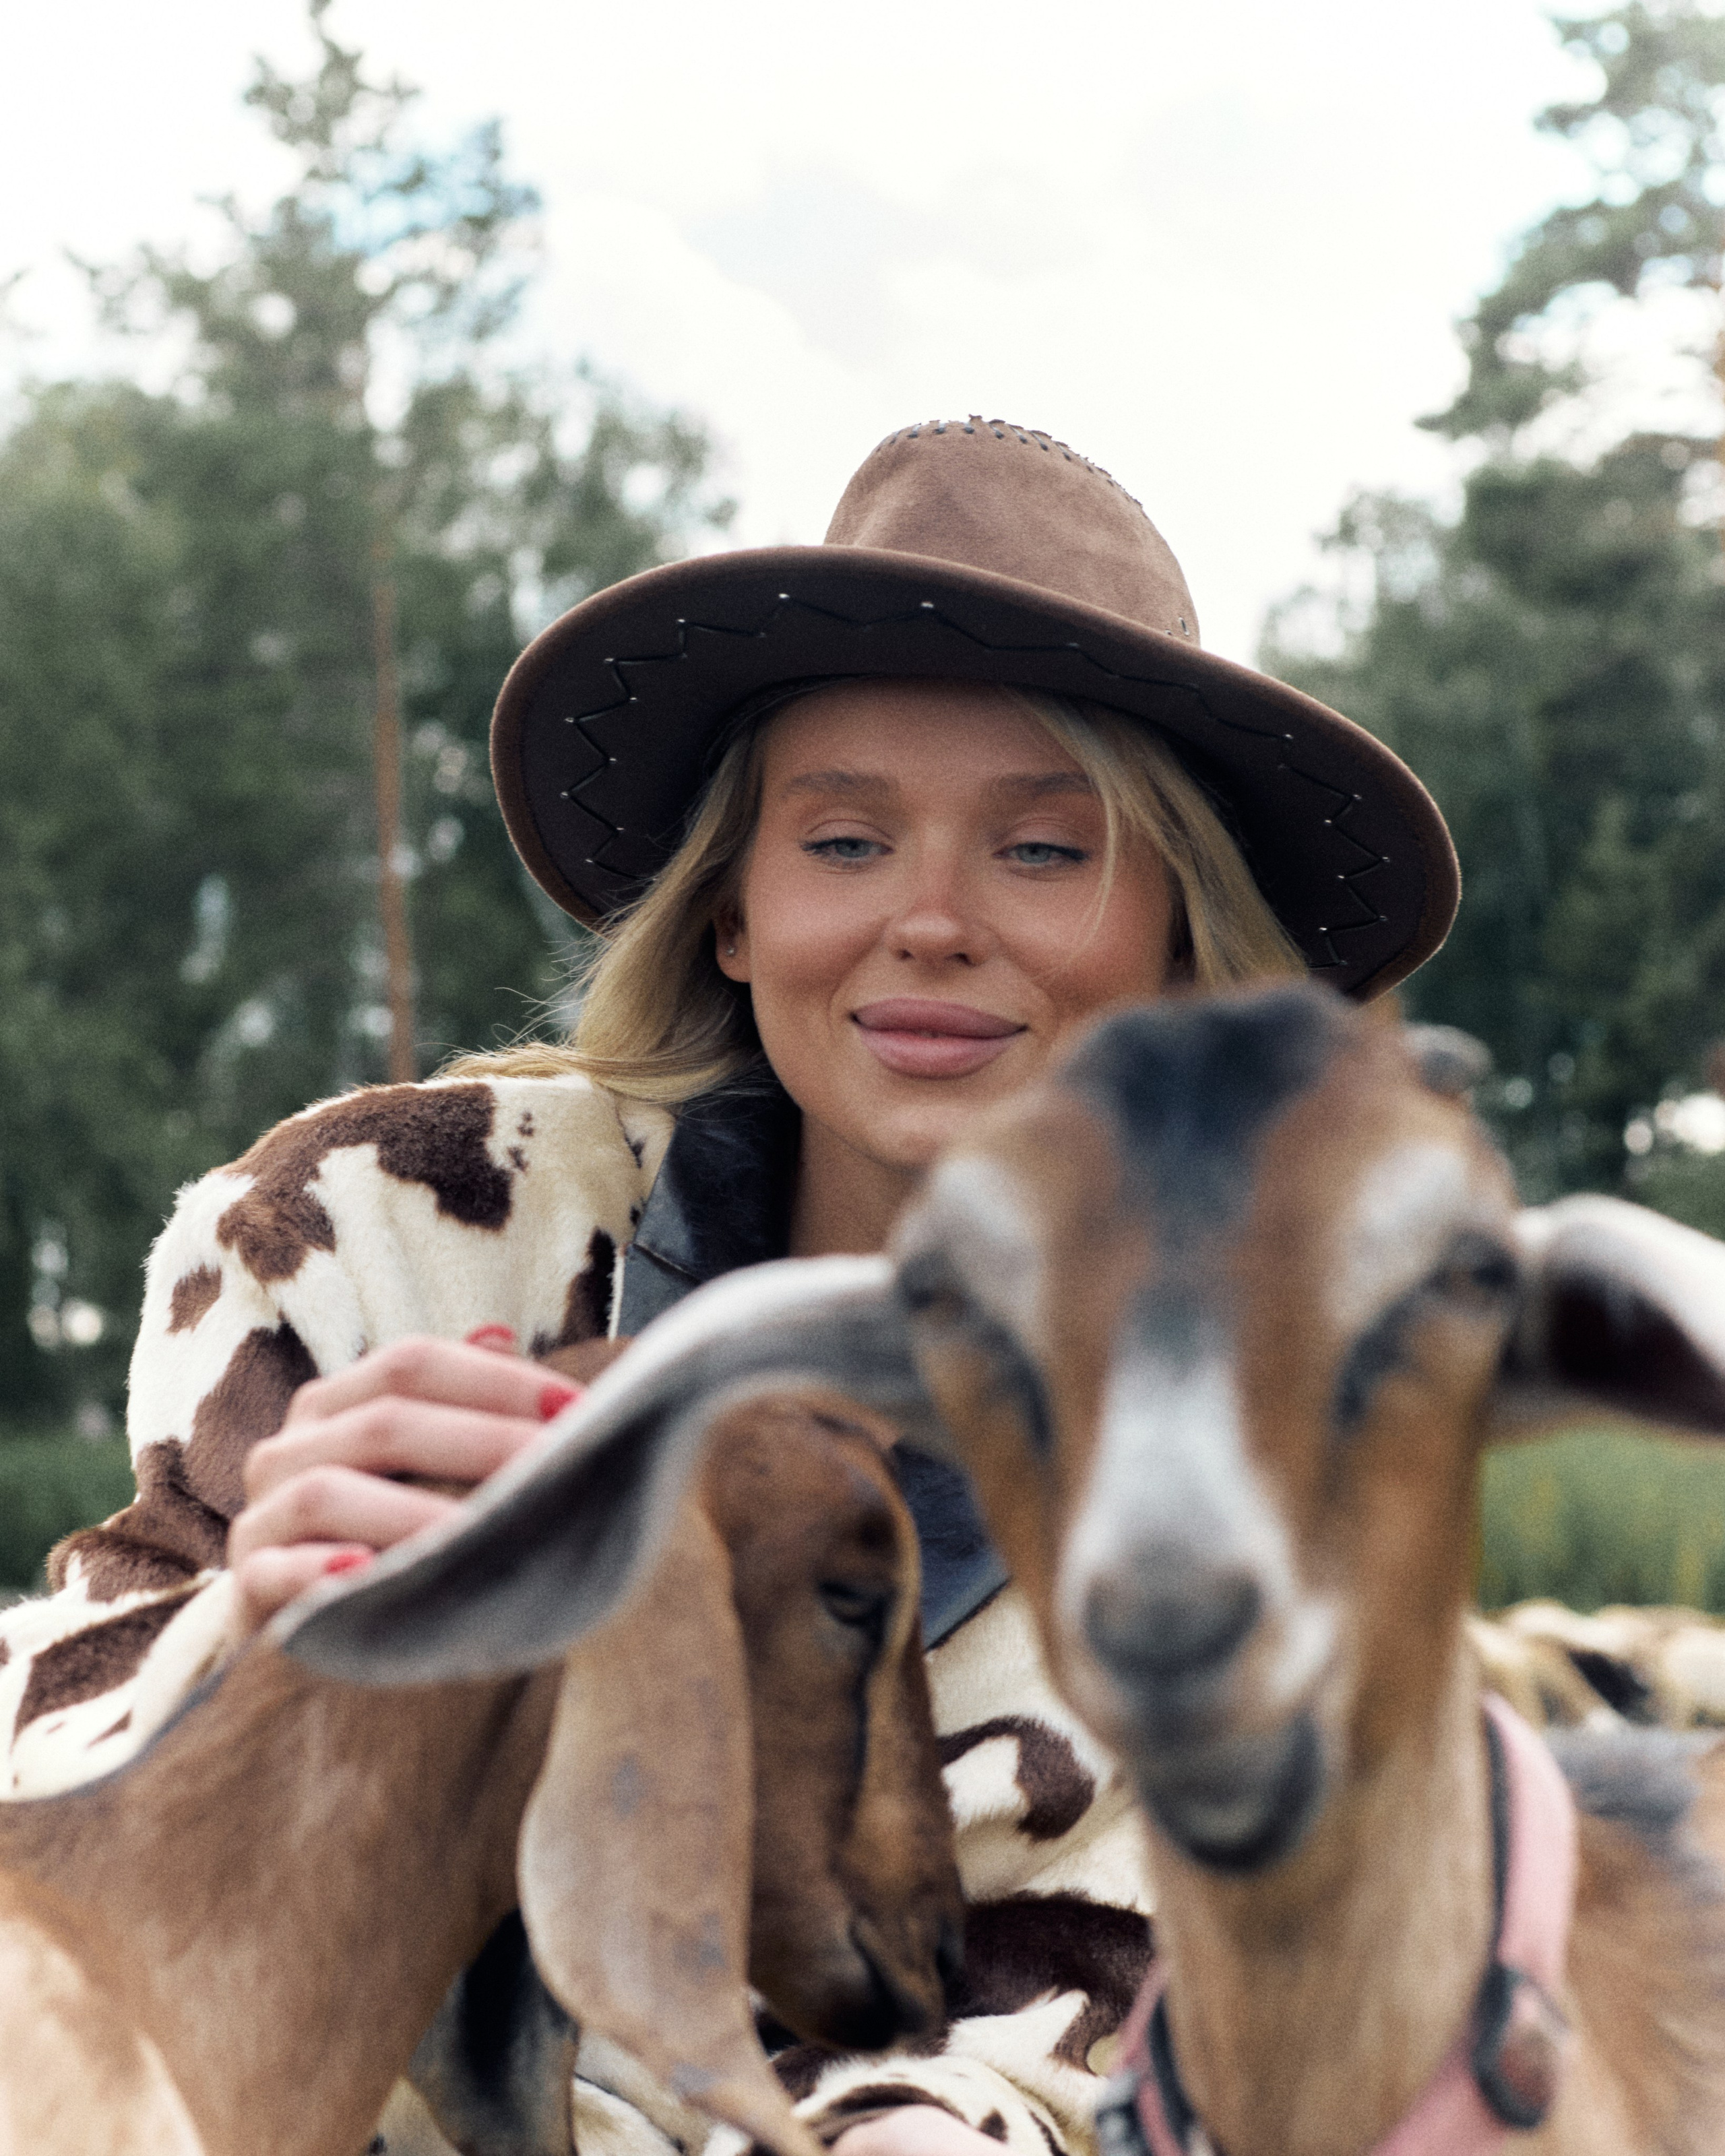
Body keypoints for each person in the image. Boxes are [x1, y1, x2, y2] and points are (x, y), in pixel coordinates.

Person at [0, 418, 1460, 2156]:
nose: (930, 920)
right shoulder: (383, 1229)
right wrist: (269, 1626)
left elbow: (1097, 2054)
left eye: (1045, 850)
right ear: (731, 912)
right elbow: (51, 1756)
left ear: (1176, 941)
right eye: (844, 843)